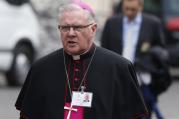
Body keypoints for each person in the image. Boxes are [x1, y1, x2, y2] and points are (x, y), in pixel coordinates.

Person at [15, 2, 148, 119]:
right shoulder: (41, 69)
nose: (71, 33)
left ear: (93, 29)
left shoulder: (119, 68)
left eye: (77, 27)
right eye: (65, 28)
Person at [101, 0, 167, 118]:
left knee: (142, 114)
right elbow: (103, 50)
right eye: (126, 9)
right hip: (117, 80)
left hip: (142, 81)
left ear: (141, 7)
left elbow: (160, 49)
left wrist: (147, 61)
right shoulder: (112, 23)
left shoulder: (153, 23)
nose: (129, 12)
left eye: (133, 9)